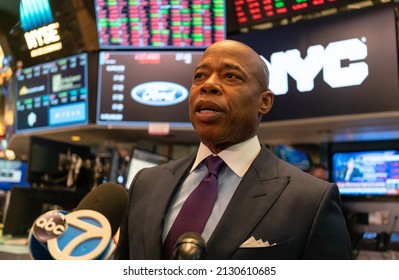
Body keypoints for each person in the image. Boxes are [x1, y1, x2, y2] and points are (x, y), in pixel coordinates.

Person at [114, 40, 352, 260]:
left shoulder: (310, 200)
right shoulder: (145, 183)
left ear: (264, 102)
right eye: (200, 76)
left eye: (230, 76)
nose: (208, 85)